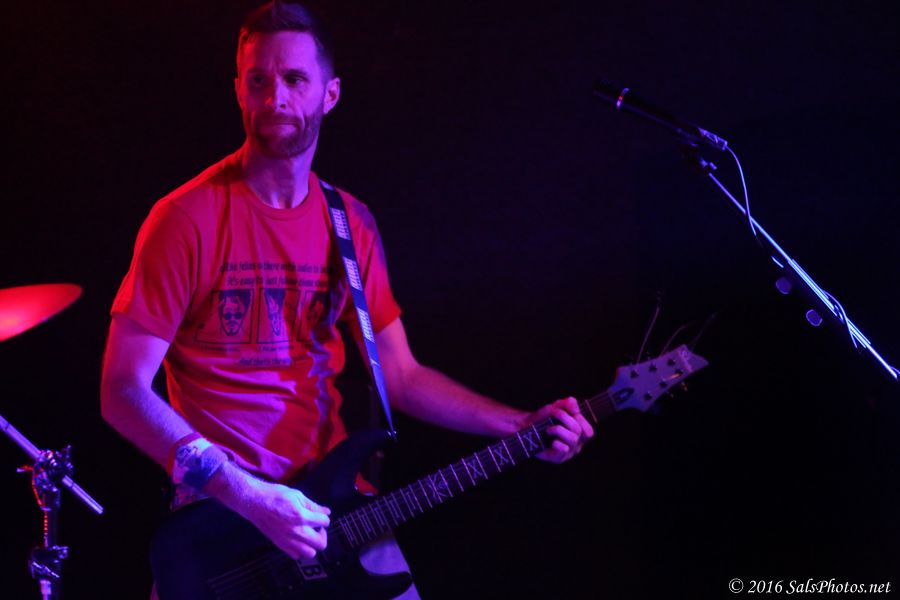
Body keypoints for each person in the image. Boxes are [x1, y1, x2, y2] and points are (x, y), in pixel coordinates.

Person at [100, 2, 593, 598]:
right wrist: (248, 495)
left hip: (335, 508)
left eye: (294, 79)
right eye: (258, 80)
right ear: (238, 90)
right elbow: (122, 391)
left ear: (329, 94)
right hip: (222, 523)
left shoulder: (349, 223)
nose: (275, 97)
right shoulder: (185, 219)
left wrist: (520, 425)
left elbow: (403, 378)